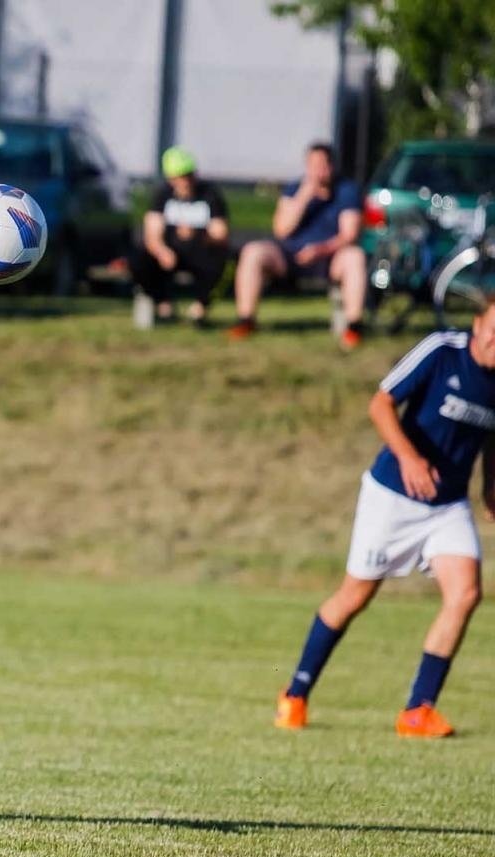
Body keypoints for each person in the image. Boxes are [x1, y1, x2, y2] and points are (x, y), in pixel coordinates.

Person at [275, 306, 495, 738]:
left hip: (446, 505)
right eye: (493, 330)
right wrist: (409, 459)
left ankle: (418, 710)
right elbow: (381, 404)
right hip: (393, 495)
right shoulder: (440, 351)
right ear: (478, 325)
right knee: (355, 596)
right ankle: (296, 693)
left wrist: (490, 485)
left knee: (466, 592)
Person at [228, 142, 366, 349]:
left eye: (323, 165)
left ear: (332, 166)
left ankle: (354, 326)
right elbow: (281, 230)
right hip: (290, 256)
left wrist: (319, 250)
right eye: (314, 165)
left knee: (355, 256)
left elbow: (349, 234)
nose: (319, 171)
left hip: (329, 257)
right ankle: (246, 321)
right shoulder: (294, 189)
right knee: (252, 251)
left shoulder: (347, 191)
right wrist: (303, 197)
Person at [130, 146, 229, 328]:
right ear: (171, 179)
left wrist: (199, 235)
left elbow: (221, 233)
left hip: (201, 251)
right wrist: (161, 251)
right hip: (170, 252)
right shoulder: (162, 195)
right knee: (139, 260)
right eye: (181, 176)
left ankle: (199, 309)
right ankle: (163, 305)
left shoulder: (209, 194)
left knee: (225, 264)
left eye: (189, 175)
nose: (186, 181)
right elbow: (152, 232)